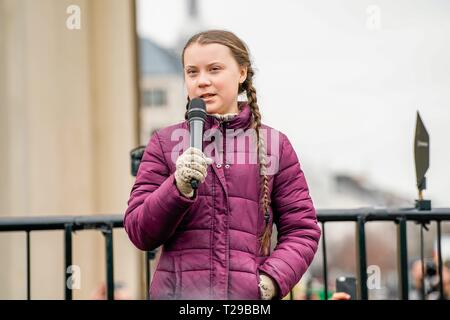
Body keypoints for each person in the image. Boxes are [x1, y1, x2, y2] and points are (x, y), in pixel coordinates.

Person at [124, 29, 321, 300]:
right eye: (192, 72)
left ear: (241, 73)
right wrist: (177, 187)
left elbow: (302, 229)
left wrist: (270, 282)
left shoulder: (275, 145)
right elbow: (139, 232)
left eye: (214, 69)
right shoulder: (164, 143)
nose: (202, 81)